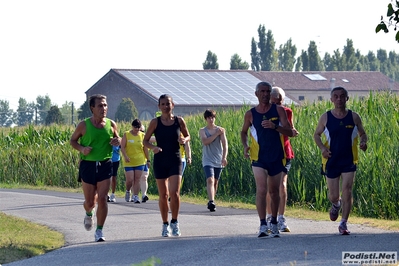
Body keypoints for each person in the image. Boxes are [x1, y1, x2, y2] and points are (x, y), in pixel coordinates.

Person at [240, 81, 296, 238]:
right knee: (262, 189)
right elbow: (243, 132)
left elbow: (291, 132)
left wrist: (275, 127)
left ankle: (274, 222)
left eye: (267, 91)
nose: (265, 94)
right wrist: (245, 146)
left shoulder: (279, 110)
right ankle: (263, 224)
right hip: (258, 157)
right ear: (256, 94)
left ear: (271, 94)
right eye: (262, 91)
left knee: (274, 191)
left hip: (277, 155)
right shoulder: (250, 114)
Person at [314, 86, 368, 235]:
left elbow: (363, 133)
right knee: (333, 195)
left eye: (342, 96)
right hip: (331, 160)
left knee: (348, 191)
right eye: (336, 96)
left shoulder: (354, 117)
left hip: (349, 160)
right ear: (331, 99)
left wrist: (363, 142)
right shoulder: (326, 117)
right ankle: (336, 204)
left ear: (347, 98)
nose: (339, 99)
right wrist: (323, 149)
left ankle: (343, 223)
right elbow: (316, 135)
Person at [70, 94, 121, 242]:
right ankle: (88, 213)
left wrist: (117, 141)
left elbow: (117, 139)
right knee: (90, 202)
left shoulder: (111, 124)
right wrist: (82, 149)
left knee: (103, 199)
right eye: (100, 105)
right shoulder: (84, 125)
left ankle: (99, 230)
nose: (103, 108)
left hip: (105, 163)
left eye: (105, 105)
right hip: (88, 165)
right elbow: (72, 141)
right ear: (92, 108)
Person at [143, 94, 190, 237]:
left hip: (175, 159)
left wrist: (184, 139)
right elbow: (145, 141)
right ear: (159, 107)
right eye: (162, 104)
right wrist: (153, 148)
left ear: (172, 105)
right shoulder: (155, 122)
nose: (165, 106)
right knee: (163, 195)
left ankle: (174, 222)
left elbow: (188, 136)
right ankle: (165, 224)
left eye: (168, 103)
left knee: (174, 193)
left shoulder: (179, 121)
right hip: (160, 160)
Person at [266, 87, 298, 232]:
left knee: (282, 185)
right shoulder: (263, 112)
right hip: (267, 153)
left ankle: (281, 217)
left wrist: (290, 130)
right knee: (269, 186)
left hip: (284, 153)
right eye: (273, 103)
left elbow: (290, 129)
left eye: (279, 102)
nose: (276, 106)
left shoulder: (287, 112)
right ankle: (269, 216)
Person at [199, 109, 228, 212]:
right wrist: (216, 134)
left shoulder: (221, 130)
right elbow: (205, 141)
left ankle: (212, 200)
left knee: (215, 182)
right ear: (206, 119)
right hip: (207, 159)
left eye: (212, 117)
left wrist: (224, 157)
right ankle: (211, 201)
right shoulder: (203, 130)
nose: (211, 119)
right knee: (210, 179)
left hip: (218, 159)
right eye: (209, 118)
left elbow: (225, 145)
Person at [121, 119, 150, 204]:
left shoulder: (142, 135)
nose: (136, 129)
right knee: (130, 179)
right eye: (135, 127)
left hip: (139, 160)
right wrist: (125, 156)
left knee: (137, 179)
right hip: (129, 161)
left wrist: (148, 160)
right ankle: (127, 191)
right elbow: (122, 147)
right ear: (132, 126)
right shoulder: (126, 134)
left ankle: (136, 196)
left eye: (138, 127)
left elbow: (145, 149)